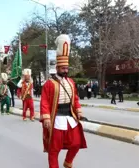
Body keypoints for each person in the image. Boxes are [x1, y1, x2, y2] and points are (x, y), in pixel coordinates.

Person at [40, 34, 87, 168]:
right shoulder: (49, 83)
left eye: (66, 68)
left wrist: (78, 110)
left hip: (70, 117)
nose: (65, 70)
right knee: (54, 149)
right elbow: (44, 102)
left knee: (76, 143)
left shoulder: (71, 82)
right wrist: (46, 118)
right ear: (57, 68)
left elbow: (75, 98)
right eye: (63, 68)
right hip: (56, 118)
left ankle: (68, 162)